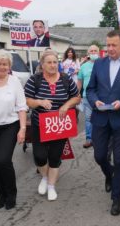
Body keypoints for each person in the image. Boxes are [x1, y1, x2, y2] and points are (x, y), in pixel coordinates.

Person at [86, 29, 120, 216]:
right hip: (100, 118)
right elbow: (90, 89)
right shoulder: (99, 64)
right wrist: (95, 101)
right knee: (100, 156)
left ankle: (116, 199)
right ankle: (109, 175)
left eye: (113, 45)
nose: (109, 48)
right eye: (107, 45)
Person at [24, 50, 80, 201]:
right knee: (39, 156)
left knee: (55, 157)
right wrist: (40, 102)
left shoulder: (66, 79)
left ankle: (51, 186)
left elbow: (76, 97)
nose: (52, 65)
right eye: (49, 62)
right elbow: (27, 100)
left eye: (55, 62)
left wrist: (66, 105)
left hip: (59, 125)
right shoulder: (34, 79)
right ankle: (44, 176)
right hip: (39, 124)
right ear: (42, 65)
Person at [0, 50, 27, 210]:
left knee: (3, 160)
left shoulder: (14, 82)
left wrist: (22, 129)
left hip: (10, 125)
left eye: (4, 64)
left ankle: (11, 194)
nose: (1, 67)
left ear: (9, 66)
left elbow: (22, 107)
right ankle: (0, 195)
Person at [77, 45, 100, 148]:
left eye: (95, 51)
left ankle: (99, 139)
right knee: (88, 119)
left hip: (101, 97)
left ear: (99, 52)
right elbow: (80, 81)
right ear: (88, 53)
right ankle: (89, 139)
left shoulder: (103, 64)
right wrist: (77, 94)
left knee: (100, 118)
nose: (93, 52)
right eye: (91, 51)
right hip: (87, 97)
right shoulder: (83, 67)